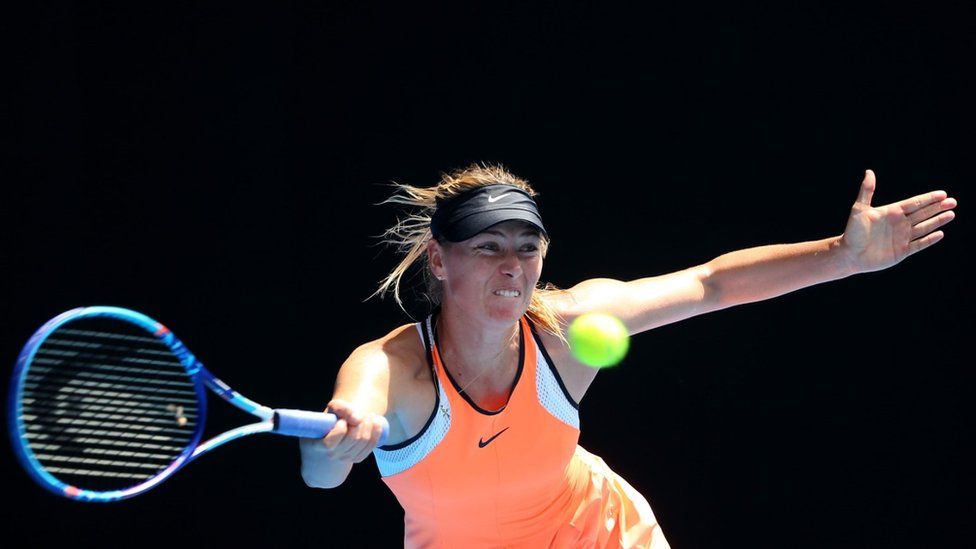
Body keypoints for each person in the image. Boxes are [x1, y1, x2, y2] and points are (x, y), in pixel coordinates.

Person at [298, 163, 957, 548]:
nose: (511, 267)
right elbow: (326, 468)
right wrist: (333, 444)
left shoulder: (566, 329)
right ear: (439, 259)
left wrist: (841, 258)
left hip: (601, 534)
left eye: (526, 247)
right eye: (486, 246)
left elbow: (712, 282)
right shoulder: (394, 370)